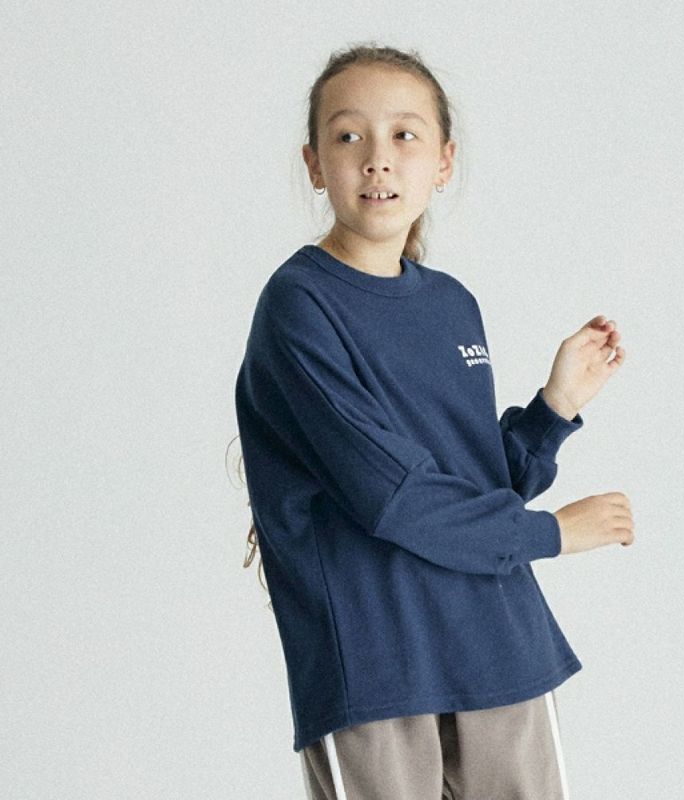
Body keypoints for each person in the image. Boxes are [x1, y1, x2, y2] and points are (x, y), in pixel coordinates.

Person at [234, 42, 634, 800]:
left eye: (404, 135)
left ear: (443, 162)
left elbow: (472, 484)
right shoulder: (299, 306)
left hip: (500, 645)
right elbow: (394, 497)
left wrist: (554, 409)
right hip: (377, 664)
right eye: (348, 136)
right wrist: (554, 534)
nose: (377, 159)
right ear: (315, 164)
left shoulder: (453, 304)